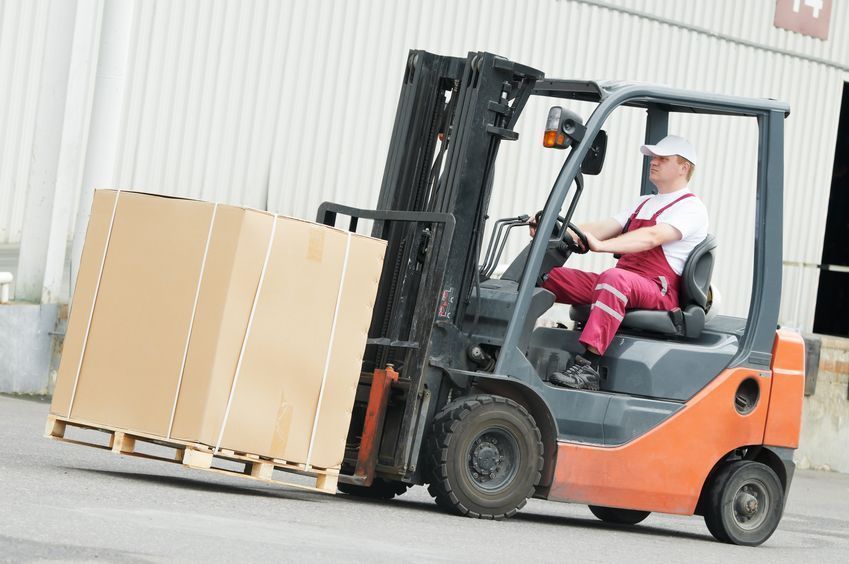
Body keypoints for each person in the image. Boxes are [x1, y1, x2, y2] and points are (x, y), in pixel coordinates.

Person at [535, 135, 709, 390]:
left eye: (663, 158)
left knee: (613, 279)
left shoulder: (691, 208)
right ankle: (511, 340)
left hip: (658, 289)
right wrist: (553, 229)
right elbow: (603, 227)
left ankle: (587, 367)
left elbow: (652, 237)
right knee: (549, 275)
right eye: (653, 157)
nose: (654, 162)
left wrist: (603, 245)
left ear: (684, 167)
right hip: (626, 282)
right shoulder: (644, 202)